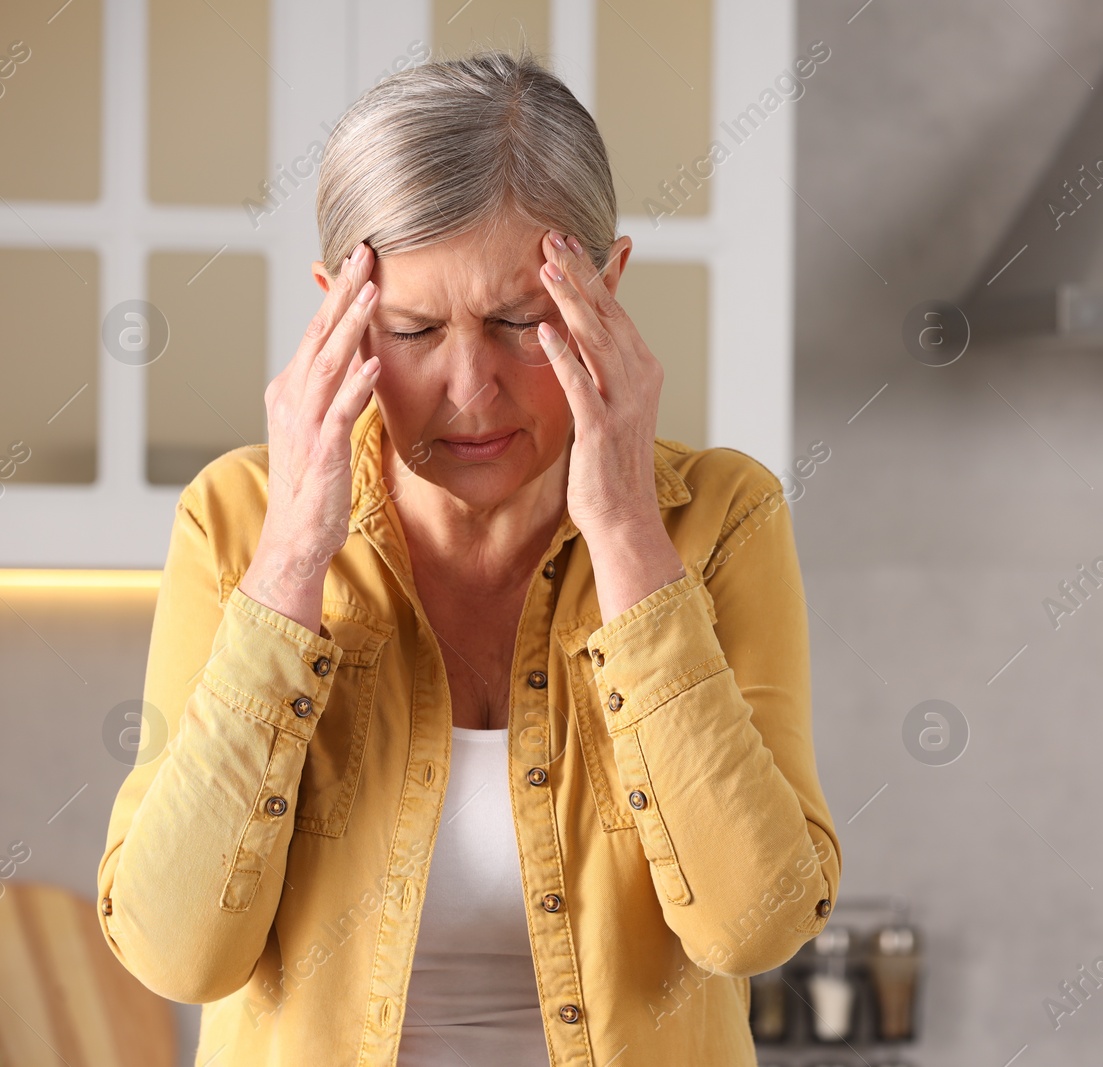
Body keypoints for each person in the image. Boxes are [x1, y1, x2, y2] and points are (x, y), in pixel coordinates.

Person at [96, 50, 841, 1066]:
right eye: (412, 330)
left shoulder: (720, 517)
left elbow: (753, 924)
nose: (470, 389)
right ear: (338, 316)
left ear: (606, 287)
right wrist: (289, 568)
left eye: (518, 323)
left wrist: (625, 532)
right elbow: (176, 952)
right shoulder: (236, 519)